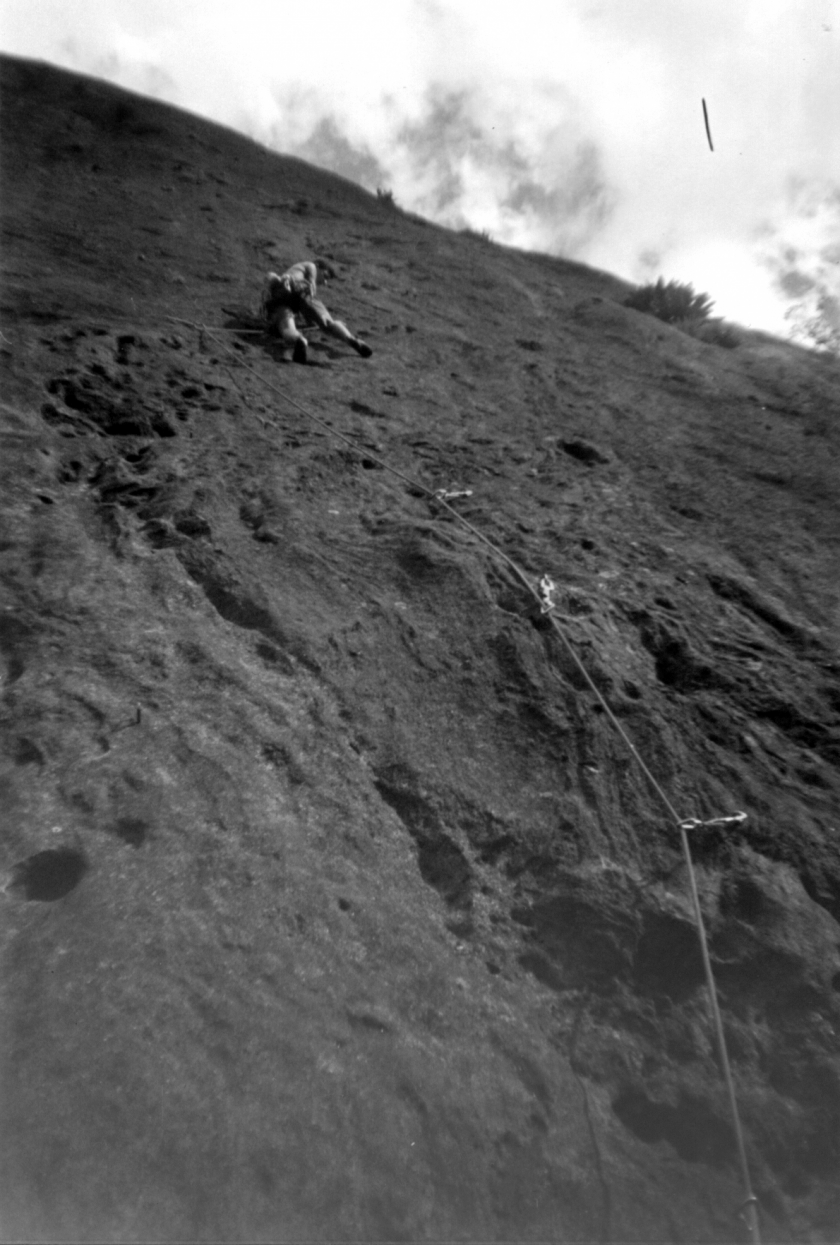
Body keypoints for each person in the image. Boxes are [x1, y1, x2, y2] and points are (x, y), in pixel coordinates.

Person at [261, 261, 373, 363]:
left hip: (280, 294)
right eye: (325, 276)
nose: (325, 282)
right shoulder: (310, 265)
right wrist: (311, 286)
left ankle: (299, 340)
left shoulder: (291, 272)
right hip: (299, 288)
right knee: (328, 323)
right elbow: (311, 284)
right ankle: (352, 340)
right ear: (319, 267)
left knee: (287, 328)